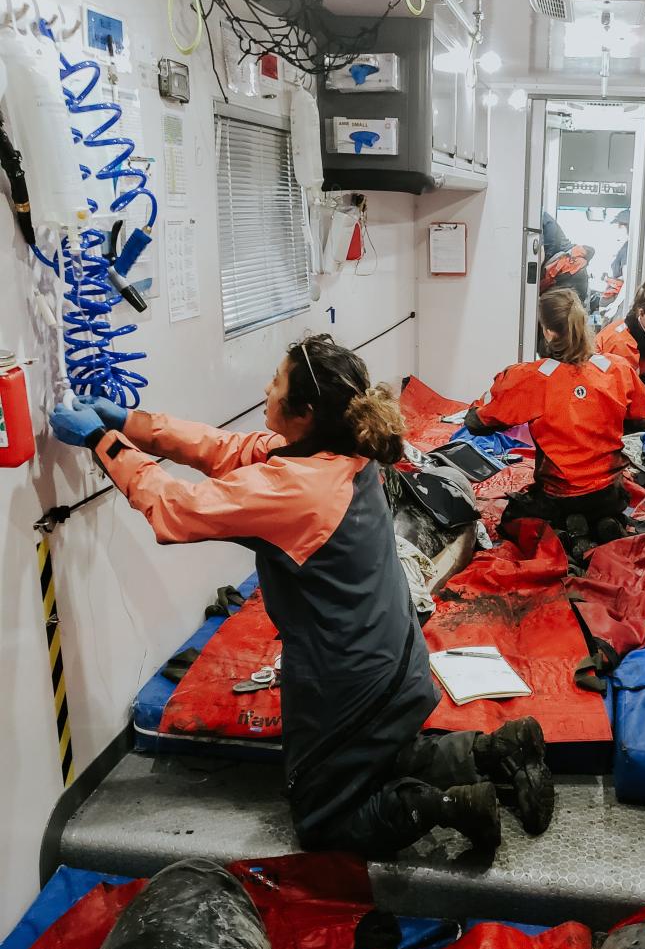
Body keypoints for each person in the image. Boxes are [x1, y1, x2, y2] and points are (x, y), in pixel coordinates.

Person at [48, 335, 555, 857]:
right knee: (379, 759)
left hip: (354, 678)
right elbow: (225, 450)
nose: (267, 387)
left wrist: (103, 444)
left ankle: (453, 807)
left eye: (277, 380)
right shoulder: (337, 450)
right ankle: (498, 750)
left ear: (305, 411)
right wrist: (131, 425)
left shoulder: (299, 489)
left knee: (326, 818)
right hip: (395, 661)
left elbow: (174, 508)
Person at [464, 289, 645, 545]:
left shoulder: (531, 378)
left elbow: (478, 422)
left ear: (548, 331)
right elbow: (644, 416)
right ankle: (600, 523)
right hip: (609, 492)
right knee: (599, 505)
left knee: (512, 520)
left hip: (559, 495)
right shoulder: (616, 368)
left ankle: (564, 534)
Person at [596, 280, 645, 399]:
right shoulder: (621, 343)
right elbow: (626, 391)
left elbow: (640, 367)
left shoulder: (634, 334)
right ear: (641, 313)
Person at [539, 211, 593, 305]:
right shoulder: (543, 218)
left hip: (566, 272)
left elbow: (539, 255)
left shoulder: (536, 216)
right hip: (567, 271)